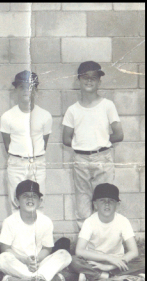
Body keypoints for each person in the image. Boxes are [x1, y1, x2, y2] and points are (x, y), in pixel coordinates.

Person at [62, 61, 124, 228]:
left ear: (99, 82)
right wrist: (83, 144)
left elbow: (119, 134)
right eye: (85, 77)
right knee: (82, 202)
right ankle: (86, 244)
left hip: (102, 157)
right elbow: (66, 138)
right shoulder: (72, 110)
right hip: (81, 159)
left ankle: (105, 239)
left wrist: (99, 142)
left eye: (94, 78)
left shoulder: (107, 105)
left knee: (105, 199)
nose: (89, 81)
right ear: (78, 80)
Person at [0, 180, 72, 281]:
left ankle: (22, 280)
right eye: (25, 196)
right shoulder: (9, 221)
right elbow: (5, 248)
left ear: (40, 201)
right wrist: (24, 260)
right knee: (2, 258)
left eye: (34, 196)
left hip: (40, 264)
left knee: (64, 255)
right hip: (19, 263)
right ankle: (43, 280)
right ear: (17, 201)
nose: (30, 199)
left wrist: (37, 260)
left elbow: (47, 248)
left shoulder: (46, 221)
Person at [69, 183, 145, 281]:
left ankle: (97, 276)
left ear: (117, 205)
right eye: (102, 201)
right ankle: (113, 276)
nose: (107, 204)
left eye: (111, 201)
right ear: (95, 204)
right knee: (73, 260)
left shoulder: (123, 221)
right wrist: (108, 258)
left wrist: (111, 265)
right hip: (95, 262)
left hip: (118, 262)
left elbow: (134, 251)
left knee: (142, 261)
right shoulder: (89, 222)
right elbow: (79, 250)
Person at [0, 71, 52, 213]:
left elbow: (44, 142)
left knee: (38, 201)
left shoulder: (45, 115)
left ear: (36, 90)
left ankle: (37, 234)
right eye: (22, 87)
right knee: (16, 202)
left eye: (30, 87)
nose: (26, 91)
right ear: (16, 90)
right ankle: (18, 235)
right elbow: (7, 144)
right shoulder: (7, 116)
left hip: (37, 163)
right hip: (17, 163)